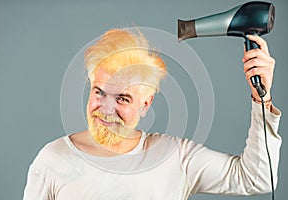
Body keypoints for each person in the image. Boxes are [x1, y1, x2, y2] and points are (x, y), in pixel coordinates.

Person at [23, 28, 281, 200]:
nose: (106, 108)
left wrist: (262, 99)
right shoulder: (52, 159)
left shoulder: (175, 157)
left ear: (146, 105)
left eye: (122, 98)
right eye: (99, 92)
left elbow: (257, 179)